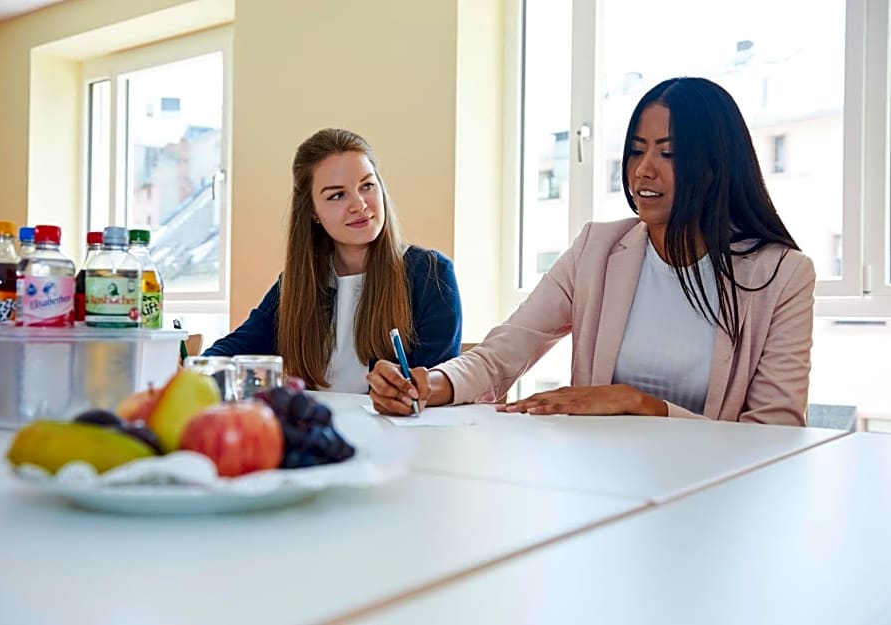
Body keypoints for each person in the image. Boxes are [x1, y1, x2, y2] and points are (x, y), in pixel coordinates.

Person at [368, 77, 815, 426]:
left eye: (668, 154)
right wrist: (432, 384)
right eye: (636, 151)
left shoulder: (782, 275)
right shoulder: (597, 250)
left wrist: (640, 405)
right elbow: (504, 353)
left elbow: (774, 431)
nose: (643, 170)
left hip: (716, 499)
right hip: (598, 488)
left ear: (717, 168)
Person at [205, 128, 462, 392]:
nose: (360, 204)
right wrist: (193, 370)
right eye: (337, 195)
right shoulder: (299, 282)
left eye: (367, 186)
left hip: (398, 431)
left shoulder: (431, 274)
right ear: (313, 212)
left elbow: (431, 390)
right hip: (316, 430)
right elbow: (238, 348)